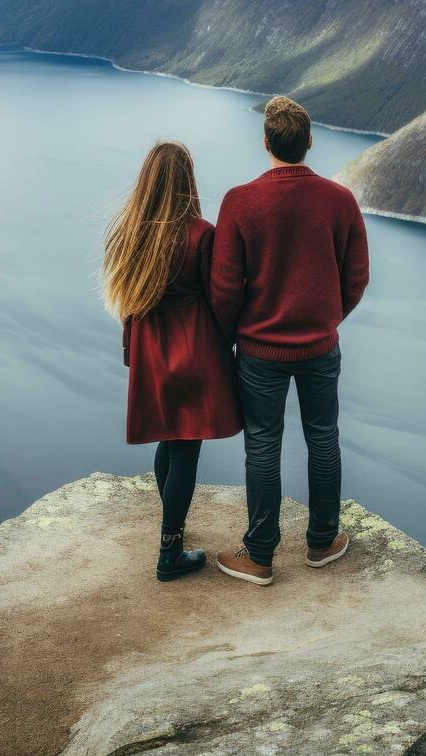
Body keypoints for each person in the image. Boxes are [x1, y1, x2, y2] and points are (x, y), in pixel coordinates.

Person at [210, 96, 370, 586]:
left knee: (263, 446)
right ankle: (323, 542)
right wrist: (323, 319)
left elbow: (223, 286)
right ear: (309, 143)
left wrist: (234, 335)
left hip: (259, 351)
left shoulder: (240, 201)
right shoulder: (338, 200)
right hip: (320, 347)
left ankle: (259, 557)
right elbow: (357, 276)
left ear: (266, 143)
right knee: (323, 439)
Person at [103, 141, 242, 581]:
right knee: (184, 447)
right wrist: (230, 343)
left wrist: (131, 351)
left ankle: (173, 531)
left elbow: (128, 302)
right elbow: (221, 298)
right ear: (186, 181)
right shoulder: (200, 234)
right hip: (191, 349)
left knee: (169, 439)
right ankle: (170, 552)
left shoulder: (130, 230)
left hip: (150, 350)